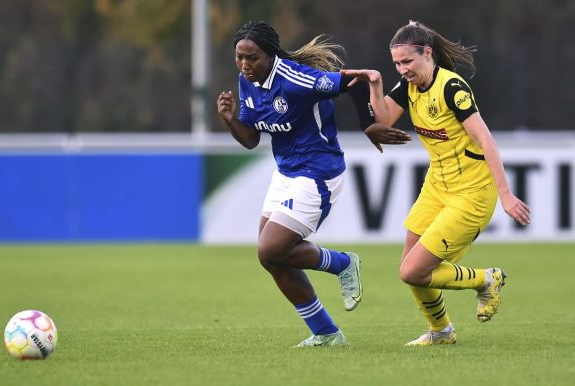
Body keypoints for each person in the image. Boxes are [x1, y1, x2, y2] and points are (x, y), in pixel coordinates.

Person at [217, 20, 410, 348]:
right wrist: (231, 120)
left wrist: (368, 126)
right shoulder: (246, 81)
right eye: (240, 57)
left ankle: (343, 263)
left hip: (319, 173)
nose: (245, 65)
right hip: (286, 173)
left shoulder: (294, 79)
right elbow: (251, 140)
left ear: (270, 55)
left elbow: (354, 83)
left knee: (270, 248)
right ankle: (325, 332)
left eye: (252, 58)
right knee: (270, 258)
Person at [342, 20, 531, 346]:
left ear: (427, 53)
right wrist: (375, 84)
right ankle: (441, 332)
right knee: (410, 267)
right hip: (436, 186)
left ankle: (487, 279)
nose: (402, 69)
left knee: (411, 271)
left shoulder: (451, 88)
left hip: (471, 193)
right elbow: (383, 119)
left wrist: (506, 194)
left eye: (407, 62)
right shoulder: (408, 86)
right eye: (396, 64)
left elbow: (486, 140)